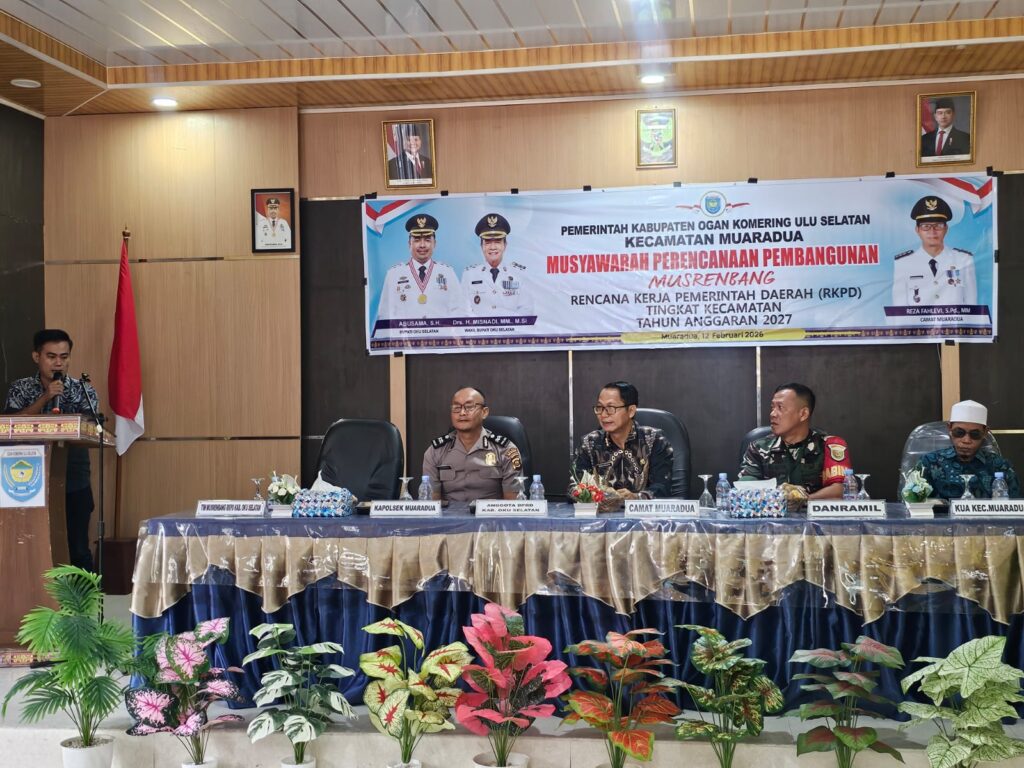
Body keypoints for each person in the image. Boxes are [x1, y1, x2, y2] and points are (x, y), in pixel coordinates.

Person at [3, 329, 100, 571]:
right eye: (51, 356)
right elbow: (10, 425)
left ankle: (84, 594)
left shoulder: (83, 390)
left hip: (73, 476)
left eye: (64, 357)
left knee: (77, 545)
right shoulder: (20, 388)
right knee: (32, 545)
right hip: (27, 477)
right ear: (36, 357)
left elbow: (91, 428)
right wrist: (45, 398)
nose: (58, 363)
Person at [738, 382, 850, 508]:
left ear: (803, 414)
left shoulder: (828, 445)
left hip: (816, 518)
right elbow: (745, 488)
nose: (773, 414)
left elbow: (841, 490)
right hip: (772, 517)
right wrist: (778, 499)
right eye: (772, 408)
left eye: (780, 408)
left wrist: (804, 500)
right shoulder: (758, 447)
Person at [569, 381, 674, 507]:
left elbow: (663, 487)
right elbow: (573, 488)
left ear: (631, 411)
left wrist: (636, 498)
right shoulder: (589, 443)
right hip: (602, 516)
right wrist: (599, 495)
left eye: (610, 408)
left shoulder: (654, 440)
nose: (603, 415)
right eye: (600, 408)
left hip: (644, 517)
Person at [421, 387, 523, 502]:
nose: (462, 413)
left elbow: (512, 505)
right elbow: (431, 504)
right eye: (456, 408)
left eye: (469, 407)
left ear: (484, 412)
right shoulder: (435, 452)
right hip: (450, 513)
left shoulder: (506, 450)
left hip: (490, 513)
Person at [913, 399, 1019, 499]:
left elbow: (1016, 506)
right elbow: (911, 502)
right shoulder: (928, 463)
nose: (966, 440)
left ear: (985, 433)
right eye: (959, 433)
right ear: (949, 428)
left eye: (975, 434)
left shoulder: (1000, 467)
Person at [892, 196, 977, 306]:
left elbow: (972, 305)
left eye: (938, 226)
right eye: (925, 226)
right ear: (917, 230)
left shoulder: (963, 260)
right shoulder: (903, 263)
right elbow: (899, 309)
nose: (932, 231)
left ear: (946, 228)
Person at [377, 214, 463, 322]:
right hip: (406, 333)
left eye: (427, 240)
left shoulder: (447, 273)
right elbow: (385, 315)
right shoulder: (394, 275)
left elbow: (460, 311)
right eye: (417, 240)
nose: (422, 245)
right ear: (409, 244)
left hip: (440, 333)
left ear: (434, 244)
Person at [461, 213, 534, 316]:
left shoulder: (518, 273)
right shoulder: (469, 274)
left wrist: (506, 323)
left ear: (505, 245)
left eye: (498, 241)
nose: (492, 247)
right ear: (481, 246)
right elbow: (464, 310)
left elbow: (526, 311)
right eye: (488, 242)